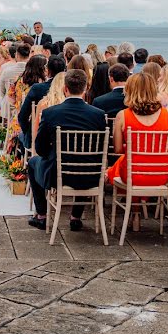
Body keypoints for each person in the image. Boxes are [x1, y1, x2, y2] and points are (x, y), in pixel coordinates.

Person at [28, 69, 107, 231]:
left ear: (65, 88)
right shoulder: (98, 115)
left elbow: (40, 148)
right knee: (83, 160)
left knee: (32, 162)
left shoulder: (50, 113)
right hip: (90, 176)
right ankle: (75, 217)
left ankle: (42, 215)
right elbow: (99, 149)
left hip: (58, 176)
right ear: (86, 89)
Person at [106, 73, 168, 230]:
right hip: (161, 174)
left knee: (124, 164)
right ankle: (136, 212)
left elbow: (118, 149)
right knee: (132, 164)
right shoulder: (166, 114)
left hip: (133, 173)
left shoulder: (123, 115)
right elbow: (165, 145)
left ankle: (134, 212)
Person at [18, 55, 66, 149]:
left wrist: (29, 132)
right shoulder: (70, 88)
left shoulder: (37, 88)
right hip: (65, 141)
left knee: (20, 136)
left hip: (39, 138)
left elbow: (22, 116)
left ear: (48, 70)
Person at [31, 71, 67, 142]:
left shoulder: (43, 103)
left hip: (47, 145)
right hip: (68, 144)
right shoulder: (71, 105)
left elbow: (35, 131)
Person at [0, 44, 30, 118]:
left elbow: (1, 92)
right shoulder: (33, 72)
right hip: (27, 107)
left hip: (9, 106)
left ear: (17, 55)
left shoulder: (6, 71)